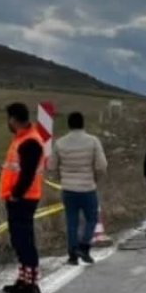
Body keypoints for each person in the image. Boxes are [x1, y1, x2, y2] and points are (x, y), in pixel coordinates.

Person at [0, 102, 46, 293]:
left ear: (13, 119)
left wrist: (16, 194)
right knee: (18, 241)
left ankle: (31, 284)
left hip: (24, 199)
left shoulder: (30, 142)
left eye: (8, 119)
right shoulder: (21, 139)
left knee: (25, 241)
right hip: (17, 198)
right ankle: (23, 280)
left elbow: (27, 174)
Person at [47, 111, 107, 265]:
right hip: (88, 188)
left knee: (71, 222)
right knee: (91, 220)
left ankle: (73, 255)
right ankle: (84, 247)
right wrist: (96, 178)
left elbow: (51, 166)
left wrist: (61, 177)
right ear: (83, 124)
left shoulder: (60, 143)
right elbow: (102, 166)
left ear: (69, 124)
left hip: (68, 190)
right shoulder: (93, 141)